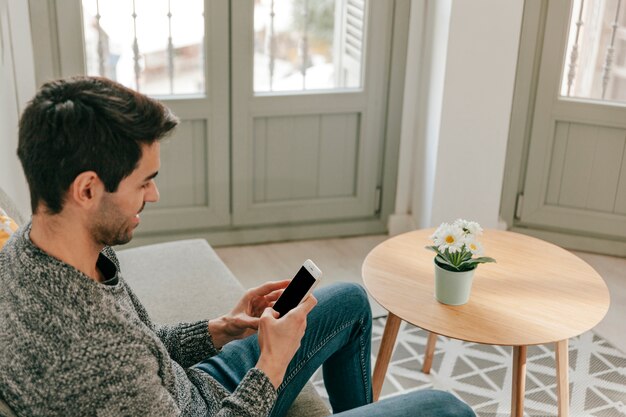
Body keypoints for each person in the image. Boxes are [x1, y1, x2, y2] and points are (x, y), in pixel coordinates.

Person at [0, 76, 475, 417]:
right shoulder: (92, 348)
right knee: (447, 407)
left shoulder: (36, 252)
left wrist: (220, 329)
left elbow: (141, 350)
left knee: (349, 301)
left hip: (188, 393)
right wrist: (272, 361)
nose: (154, 195)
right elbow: (122, 360)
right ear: (87, 189)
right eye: (144, 182)